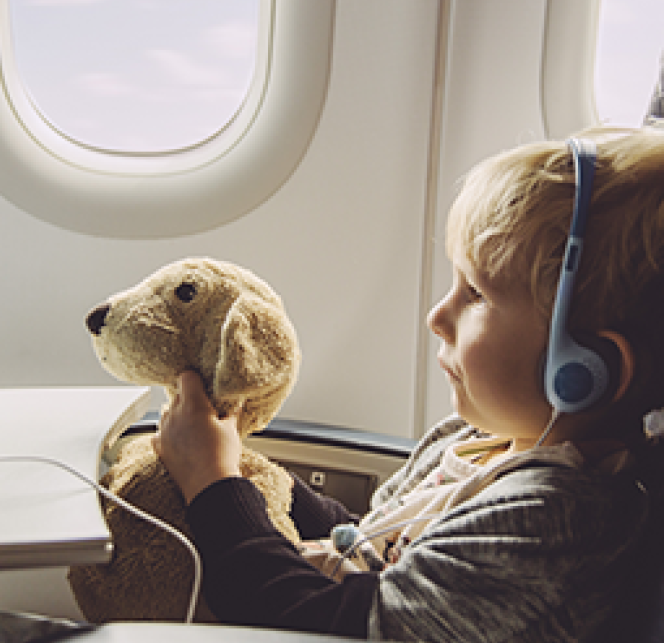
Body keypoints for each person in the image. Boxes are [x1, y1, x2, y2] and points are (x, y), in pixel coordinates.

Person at [153, 126, 664, 642]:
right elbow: (369, 541)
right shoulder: (473, 441)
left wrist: (213, 483)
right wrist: (247, 472)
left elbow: (326, 625)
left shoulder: (554, 522)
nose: (438, 316)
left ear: (584, 366)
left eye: (477, 295)